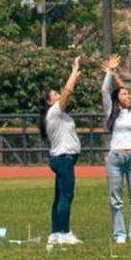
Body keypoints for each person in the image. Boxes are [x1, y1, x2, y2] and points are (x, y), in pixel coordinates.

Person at [101, 53, 131, 244]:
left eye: (129, 93)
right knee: (116, 198)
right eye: (123, 93)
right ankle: (119, 234)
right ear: (116, 98)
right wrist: (110, 71)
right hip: (115, 158)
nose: (128, 95)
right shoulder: (111, 112)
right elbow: (104, 90)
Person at [39, 54, 85, 246]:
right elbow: (68, 90)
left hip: (63, 158)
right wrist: (74, 71)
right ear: (50, 102)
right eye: (54, 95)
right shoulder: (54, 112)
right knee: (66, 195)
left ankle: (55, 232)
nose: (59, 96)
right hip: (64, 158)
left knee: (60, 196)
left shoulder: (58, 114)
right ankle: (65, 233)